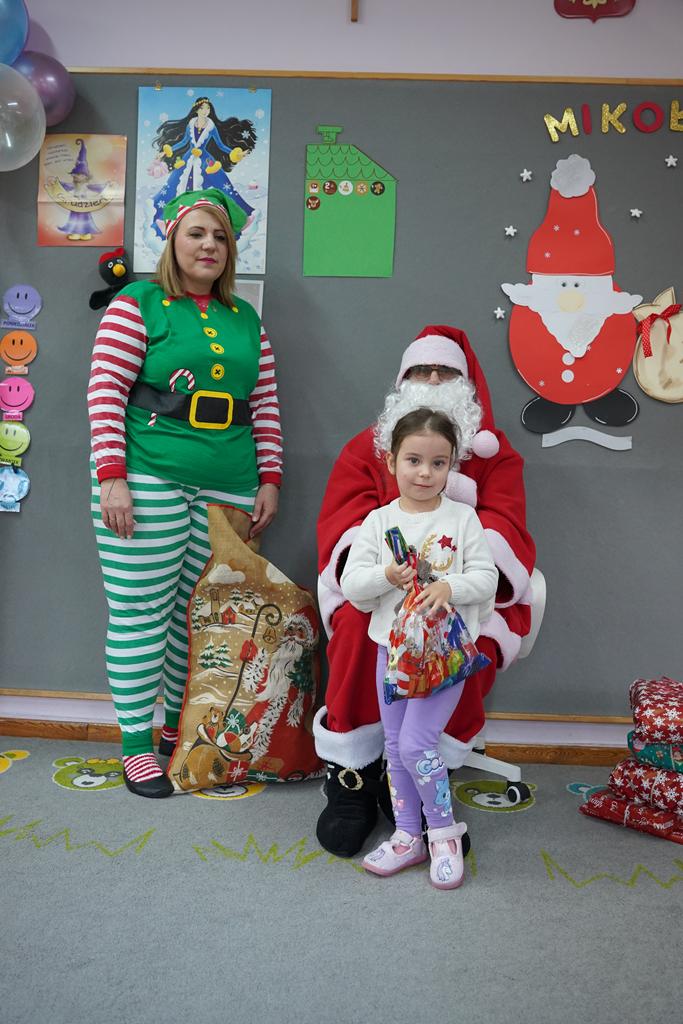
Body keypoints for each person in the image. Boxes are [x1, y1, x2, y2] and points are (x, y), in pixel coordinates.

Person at [87, 186, 282, 798]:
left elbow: (265, 405)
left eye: (221, 237)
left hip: (230, 484)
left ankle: (179, 731)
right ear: (172, 239)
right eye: (197, 232)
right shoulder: (137, 303)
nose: (209, 245)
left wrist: (270, 478)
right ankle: (135, 745)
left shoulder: (246, 319)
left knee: (200, 617)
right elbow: (105, 390)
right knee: (141, 613)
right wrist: (112, 477)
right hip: (148, 477)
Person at [315, 326, 536, 856]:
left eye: (446, 371)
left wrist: (451, 579)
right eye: (421, 370)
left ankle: (422, 787)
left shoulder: (494, 453)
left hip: (460, 596)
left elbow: (504, 527)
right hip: (384, 597)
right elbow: (345, 520)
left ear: (466, 382)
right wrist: (384, 572)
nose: (433, 379)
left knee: (471, 641)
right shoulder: (366, 447)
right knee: (354, 627)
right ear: (403, 380)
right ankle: (352, 775)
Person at [341, 408, 498, 888]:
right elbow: (352, 585)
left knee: (415, 744)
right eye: (413, 460)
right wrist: (386, 576)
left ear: (452, 466)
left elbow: (487, 578)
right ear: (391, 462)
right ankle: (408, 835)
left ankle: (443, 834)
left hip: (444, 656)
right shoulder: (378, 521)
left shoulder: (463, 518)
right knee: (395, 747)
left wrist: (450, 586)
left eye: (438, 463)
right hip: (391, 655)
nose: (425, 473)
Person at [151, 97, 256, 241]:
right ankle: (167, 221)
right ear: (196, 110)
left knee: (222, 190)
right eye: (202, 108)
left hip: (206, 162)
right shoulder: (191, 124)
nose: (205, 111)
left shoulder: (211, 126)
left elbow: (220, 145)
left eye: (208, 108)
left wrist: (235, 153)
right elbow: (184, 142)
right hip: (188, 160)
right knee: (174, 189)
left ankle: (240, 220)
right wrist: (166, 151)